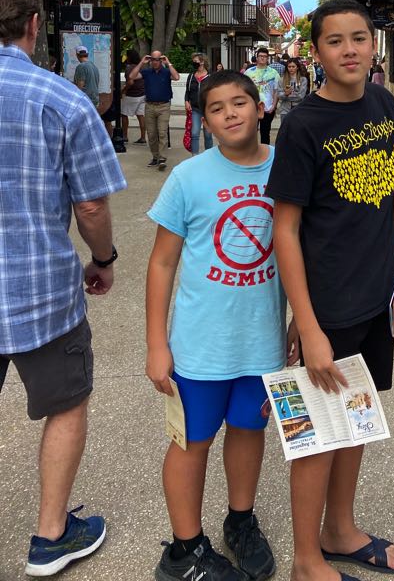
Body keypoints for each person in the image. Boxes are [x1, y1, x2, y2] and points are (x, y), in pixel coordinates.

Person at [267, 0, 394, 581]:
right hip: (324, 304)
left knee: (357, 417)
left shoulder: (385, 103)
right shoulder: (304, 124)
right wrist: (307, 326)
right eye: (336, 41)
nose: (350, 49)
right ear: (316, 52)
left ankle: (340, 529)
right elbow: (285, 229)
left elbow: (393, 188)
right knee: (316, 435)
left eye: (360, 37)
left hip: (373, 295)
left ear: (373, 43)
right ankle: (307, 559)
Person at [146, 69, 298, 581]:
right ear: (205, 120)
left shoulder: (288, 168)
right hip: (199, 345)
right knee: (192, 439)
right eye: (217, 107)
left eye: (240, 102)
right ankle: (185, 549)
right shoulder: (190, 178)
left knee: (249, 429)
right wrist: (155, 343)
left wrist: (300, 319)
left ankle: (241, 519)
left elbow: (305, 251)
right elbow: (162, 263)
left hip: (261, 341)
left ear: (263, 107)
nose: (230, 113)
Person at [0, 0, 127, 577]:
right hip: (40, 290)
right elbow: (92, 206)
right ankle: (51, 535)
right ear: (33, 26)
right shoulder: (61, 99)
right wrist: (102, 261)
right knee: (66, 402)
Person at [127, 50, 180, 171]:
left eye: (158, 59)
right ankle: (155, 157)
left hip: (163, 106)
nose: (155, 62)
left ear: (161, 60)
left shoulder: (166, 72)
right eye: (153, 59)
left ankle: (162, 158)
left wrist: (169, 63)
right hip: (150, 106)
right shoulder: (146, 72)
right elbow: (132, 76)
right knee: (151, 134)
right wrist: (141, 62)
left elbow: (176, 77)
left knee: (162, 132)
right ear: (150, 60)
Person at [244, 48, 280, 145]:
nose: (263, 58)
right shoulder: (248, 72)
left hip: (267, 108)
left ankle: (265, 155)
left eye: (265, 57)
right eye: (261, 56)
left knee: (265, 133)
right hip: (252, 107)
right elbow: (243, 90)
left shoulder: (273, 73)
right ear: (257, 57)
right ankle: (251, 154)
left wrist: (274, 105)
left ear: (267, 58)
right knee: (250, 133)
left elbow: (276, 91)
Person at [184, 52, 213, 155]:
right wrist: (186, 101)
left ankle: (209, 156)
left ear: (202, 62)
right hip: (195, 109)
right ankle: (195, 157)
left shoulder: (210, 76)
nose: (194, 63)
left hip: (208, 110)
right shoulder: (191, 76)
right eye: (193, 61)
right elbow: (187, 91)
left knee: (208, 134)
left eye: (196, 61)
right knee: (194, 133)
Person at [121, 48, 146, 144]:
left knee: (124, 114)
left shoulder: (129, 68)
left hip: (132, 94)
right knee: (140, 116)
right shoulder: (140, 67)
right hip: (142, 94)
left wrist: (123, 91)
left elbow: (130, 82)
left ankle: (124, 136)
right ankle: (143, 137)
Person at [277, 58, 308, 123]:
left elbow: (301, 96)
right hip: (284, 110)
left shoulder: (303, 79)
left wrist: (286, 96)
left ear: (297, 67)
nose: (291, 68)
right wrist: (285, 94)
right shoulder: (281, 80)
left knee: (297, 130)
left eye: (293, 66)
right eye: (289, 67)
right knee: (285, 130)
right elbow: (279, 95)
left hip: (298, 109)